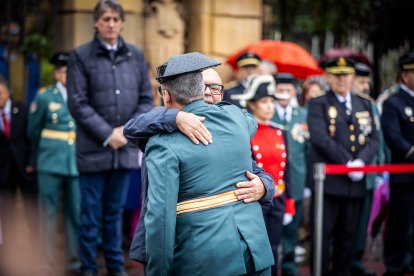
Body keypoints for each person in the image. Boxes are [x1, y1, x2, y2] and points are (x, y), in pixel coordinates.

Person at [126, 68, 276, 265]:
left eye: (215, 88)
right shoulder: (162, 131)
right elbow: (132, 128)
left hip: (236, 249)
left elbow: (252, 167)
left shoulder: (232, 125)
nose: (208, 93)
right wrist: (175, 118)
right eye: (205, 86)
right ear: (192, 89)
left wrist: (264, 186)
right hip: (187, 245)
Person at [66, 1, 153, 275]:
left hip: (124, 151)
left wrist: (125, 132)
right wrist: (107, 134)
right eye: (106, 19)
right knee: (90, 216)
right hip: (93, 150)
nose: (111, 24)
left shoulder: (136, 56)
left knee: (114, 215)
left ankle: (117, 269)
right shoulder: (80, 56)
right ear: (96, 22)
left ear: (123, 22)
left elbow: (145, 99)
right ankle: (88, 269)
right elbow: (77, 103)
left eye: (116, 18)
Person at [307, 57, 379, 276]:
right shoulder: (318, 102)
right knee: (322, 238)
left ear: (353, 76)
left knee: (347, 238)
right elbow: (320, 138)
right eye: (336, 75)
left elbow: (374, 139)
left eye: (346, 74)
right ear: (328, 77)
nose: (341, 79)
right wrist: (347, 162)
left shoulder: (364, 103)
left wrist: (361, 162)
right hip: (328, 184)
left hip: (353, 184)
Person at [234, 74, 294, 275]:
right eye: (264, 101)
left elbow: (287, 170)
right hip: (255, 201)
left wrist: (290, 203)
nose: (270, 106)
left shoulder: (280, 131)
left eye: (272, 102)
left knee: (275, 247)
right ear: (252, 104)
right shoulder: (245, 133)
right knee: (255, 251)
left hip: (278, 198)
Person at [27, 52, 80, 275]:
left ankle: (74, 260)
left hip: (76, 163)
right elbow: (33, 131)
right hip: (50, 162)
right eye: (66, 71)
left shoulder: (81, 95)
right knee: (47, 213)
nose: (70, 75)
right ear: (58, 74)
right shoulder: (44, 97)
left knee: (76, 213)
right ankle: (47, 261)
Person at [271, 73, 310, 276]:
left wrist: (310, 184)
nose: (284, 93)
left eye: (288, 89)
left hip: (297, 181)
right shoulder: (268, 114)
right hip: (275, 182)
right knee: (272, 231)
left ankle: (289, 267)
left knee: (292, 230)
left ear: (295, 91)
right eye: (280, 88)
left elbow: (308, 151)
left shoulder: (302, 115)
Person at [381, 51, 414, 276]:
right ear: (405, 75)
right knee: (400, 222)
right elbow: (393, 137)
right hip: (404, 174)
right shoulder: (394, 102)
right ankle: (394, 265)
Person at [0, 75, 36, 263]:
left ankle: (34, 250)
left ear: (7, 92)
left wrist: (32, 162)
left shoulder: (23, 109)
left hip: (25, 169)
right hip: (4, 172)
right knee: (7, 213)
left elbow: (32, 137)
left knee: (32, 211)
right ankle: (8, 253)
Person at [350, 62, 379, 276]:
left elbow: (377, 139)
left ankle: (357, 261)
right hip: (346, 174)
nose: (365, 85)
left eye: (367, 81)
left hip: (368, 173)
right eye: (361, 81)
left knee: (362, 223)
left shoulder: (369, 104)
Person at [0, 22, 40, 103]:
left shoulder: (28, 58)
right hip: (5, 106)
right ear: (2, 36)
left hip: (26, 105)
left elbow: (35, 83)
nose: (11, 38)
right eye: (7, 34)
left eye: (14, 34)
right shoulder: (1, 58)